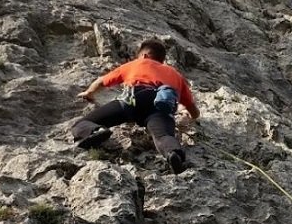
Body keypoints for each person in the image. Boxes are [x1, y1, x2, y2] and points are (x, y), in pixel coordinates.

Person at [71, 38, 199, 174]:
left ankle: (96, 131)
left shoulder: (137, 63)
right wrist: (188, 114)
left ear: (144, 55)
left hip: (132, 100)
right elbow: (194, 111)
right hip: (160, 108)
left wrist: (89, 93)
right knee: (163, 136)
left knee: (82, 123)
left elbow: (101, 81)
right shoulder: (176, 75)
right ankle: (173, 154)